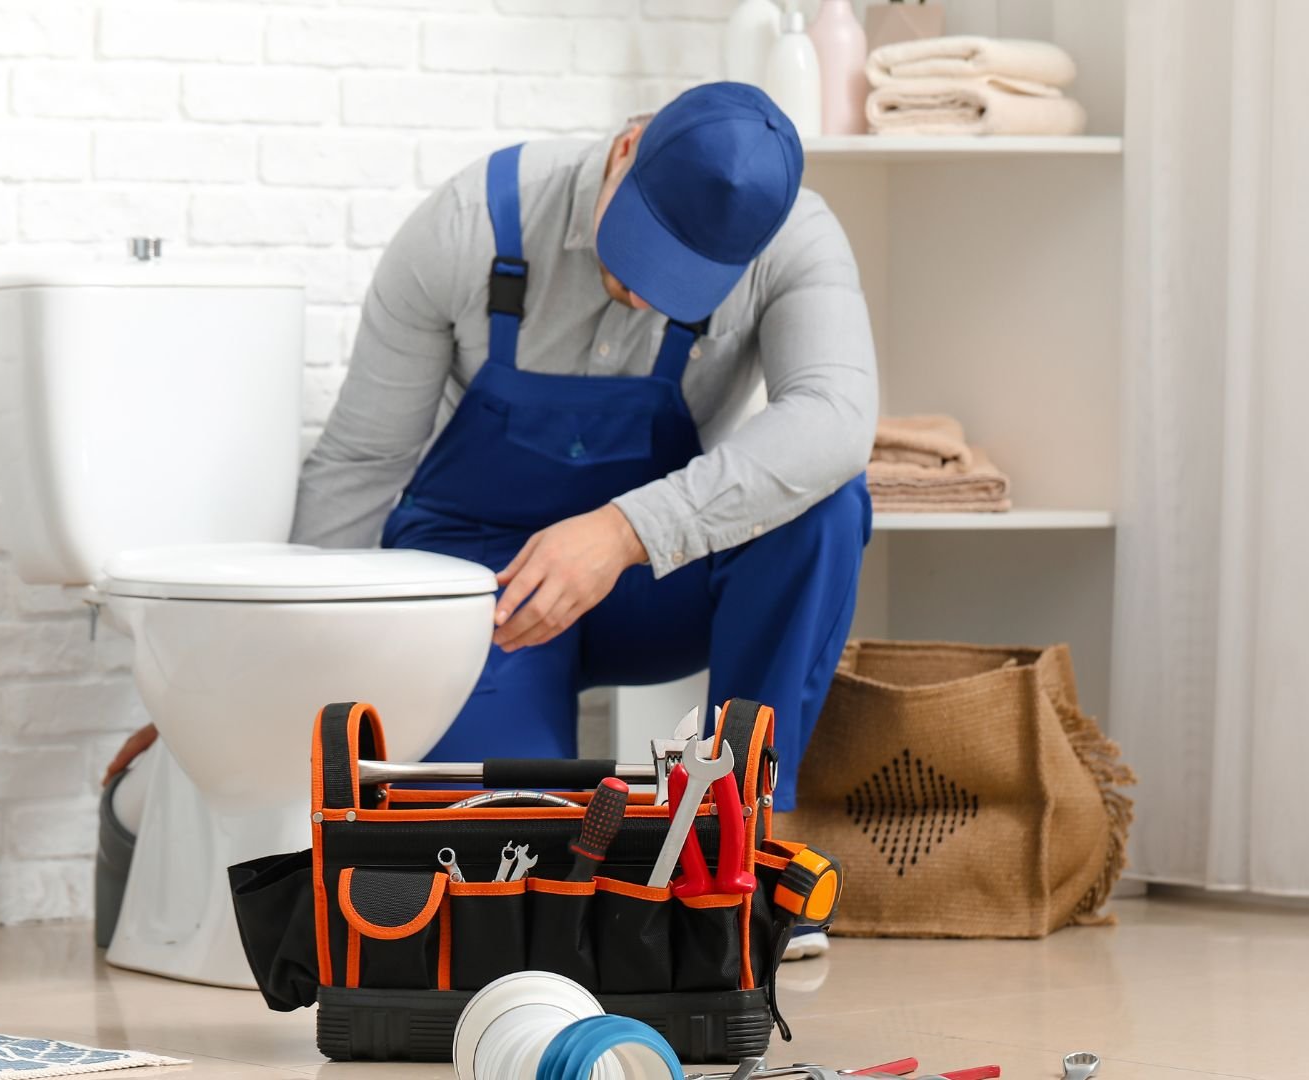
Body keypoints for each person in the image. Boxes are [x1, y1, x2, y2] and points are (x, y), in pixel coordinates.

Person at [106, 82, 876, 959]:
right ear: (626, 149)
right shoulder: (472, 223)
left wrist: (622, 532)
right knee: (509, 869)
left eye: (680, 285)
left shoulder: (796, 239)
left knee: (824, 506)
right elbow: (362, 467)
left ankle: (748, 854)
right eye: (636, 254)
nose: (639, 293)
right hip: (485, 602)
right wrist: (247, 676)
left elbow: (838, 422)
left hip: (643, 581)